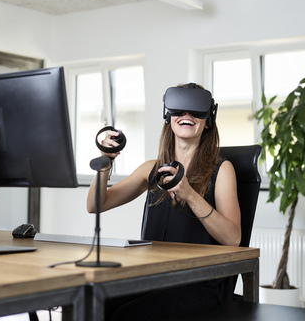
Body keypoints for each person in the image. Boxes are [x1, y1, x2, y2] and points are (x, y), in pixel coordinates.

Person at [87, 83, 241, 321]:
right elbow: (95, 205)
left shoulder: (221, 170)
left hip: (199, 283)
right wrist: (105, 160)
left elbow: (233, 239)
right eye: (179, 109)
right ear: (168, 116)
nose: (186, 115)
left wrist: (190, 194)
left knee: (129, 315)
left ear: (208, 119)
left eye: (195, 110)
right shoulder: (152, 169)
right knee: (92, 305)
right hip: (154, 276)